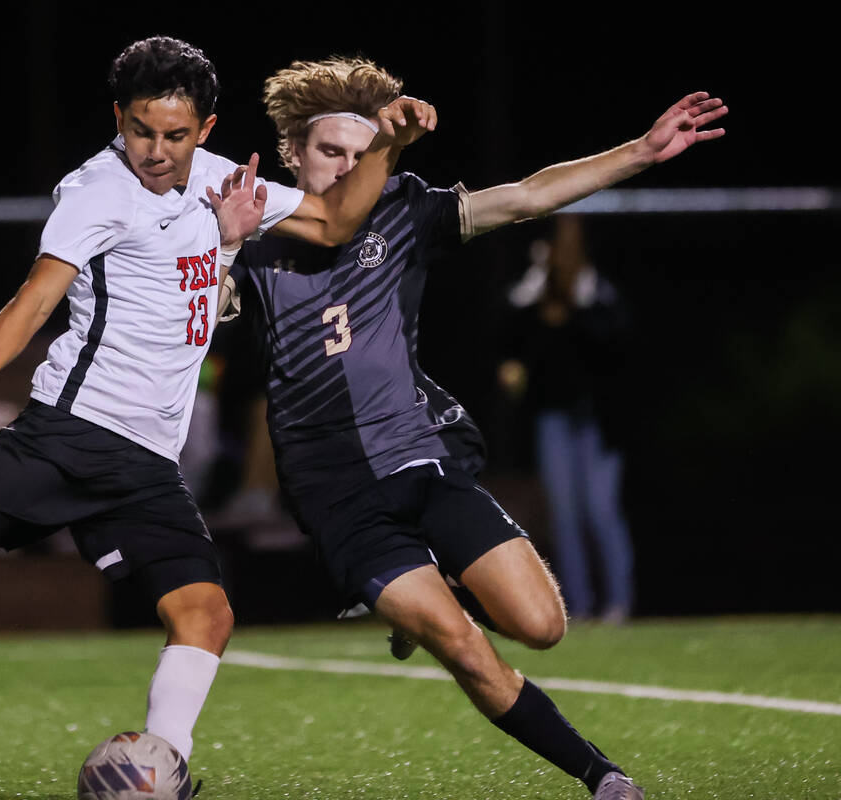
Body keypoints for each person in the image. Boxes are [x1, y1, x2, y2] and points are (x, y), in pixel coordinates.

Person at [0, 37, 435, 767]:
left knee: (205, 616)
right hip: (68, 437)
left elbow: (335, 222)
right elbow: (36, 296)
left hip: (148, 464)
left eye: (174, 135)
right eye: (140, 130)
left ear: (205, 131)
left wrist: (386, 147)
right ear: (119, 118)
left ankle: (160, 771)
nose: (154, 149)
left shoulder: (221, 183)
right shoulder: (95, 192)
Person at [218, 56, 726, 799]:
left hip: (419, 461)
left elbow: (525, 197)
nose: (350, 168)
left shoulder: (404, 208)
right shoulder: (254, 234)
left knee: (541, 625)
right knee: (461, 642)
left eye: (364, 154)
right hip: (336, 494)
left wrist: (642, 151)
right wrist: (222, 248)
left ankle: (423, 581)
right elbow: (182, 325)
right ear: (293, 154)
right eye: (332, 152)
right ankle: (603, 779)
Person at [499, 215, 636, 623]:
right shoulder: (537, 293)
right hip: (553, 419)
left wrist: (578, 307)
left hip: (598, 424)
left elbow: (617, 345)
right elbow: (507, 334)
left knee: (600, 510)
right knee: (563, 515)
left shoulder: (598, 291)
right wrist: (538, 286)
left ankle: (619, 603)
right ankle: (578, 603)